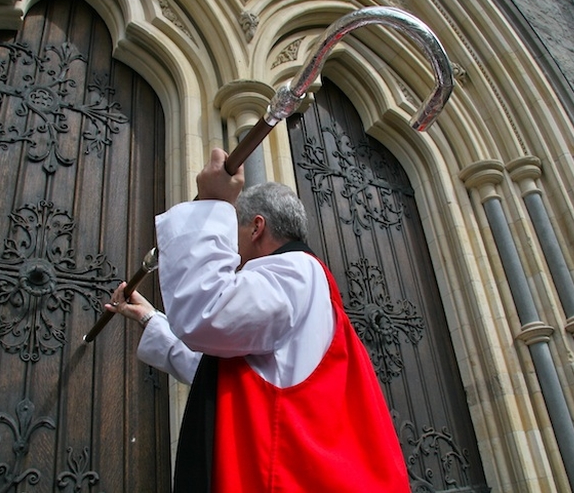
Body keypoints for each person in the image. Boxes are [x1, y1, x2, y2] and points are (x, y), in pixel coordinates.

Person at [106, 148, 411, 492]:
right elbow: (227, 375)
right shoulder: (298, 282)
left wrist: (211, 204)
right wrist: (150, 319)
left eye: (232, 229)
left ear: (255, 228)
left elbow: (207, 316)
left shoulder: (296, 271)